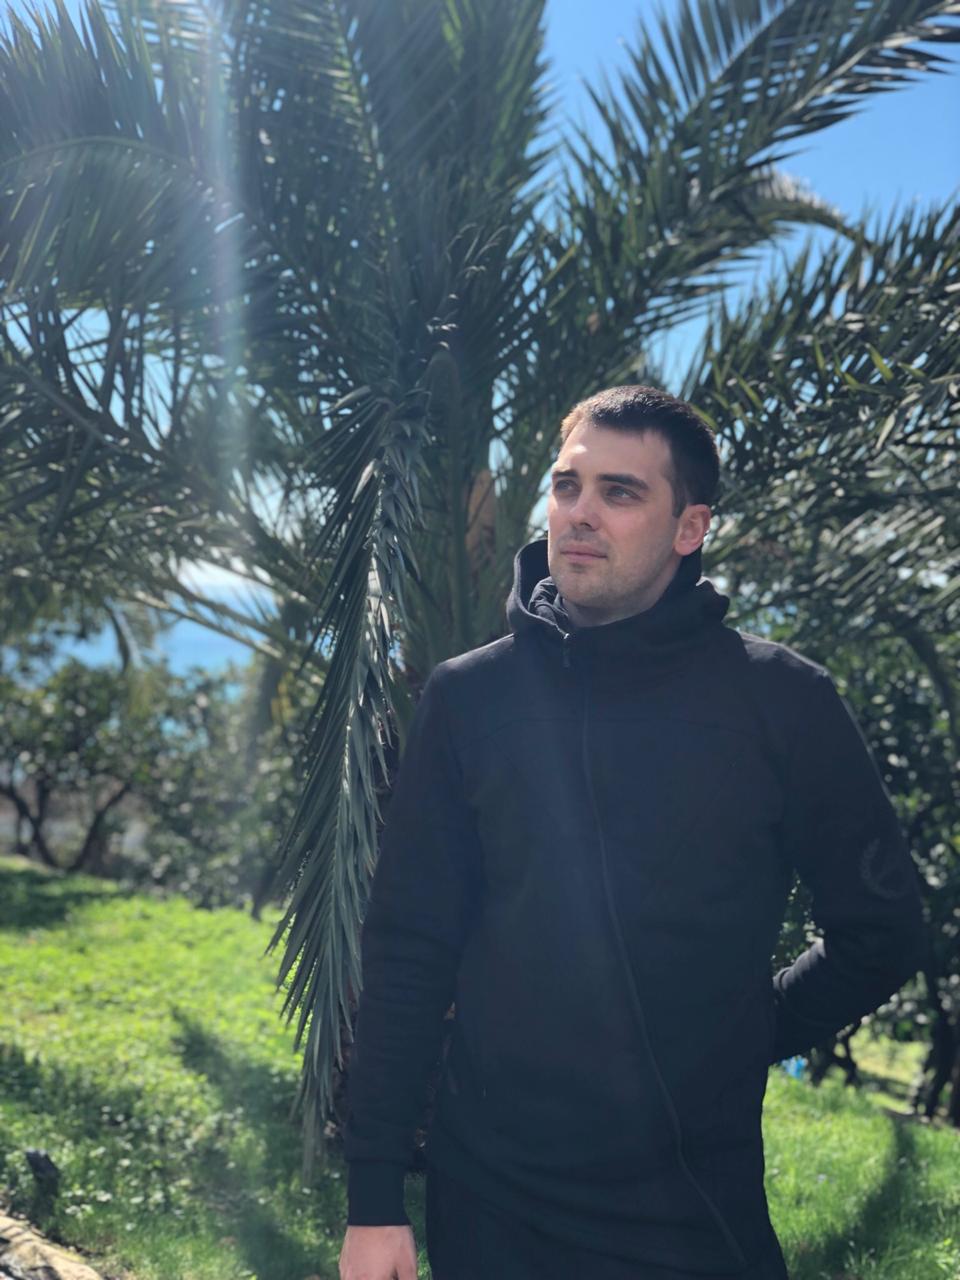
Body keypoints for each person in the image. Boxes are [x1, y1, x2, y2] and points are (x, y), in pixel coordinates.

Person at [338, 385, 925, 1280]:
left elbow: (881, 930)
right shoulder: (469, 699)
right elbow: (409, 949)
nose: (579, 513)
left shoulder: (782, 702)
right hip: (489, 1204)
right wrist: (375, 1199)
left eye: (620, 493)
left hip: (690, 1209)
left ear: (690, 528)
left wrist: (748, 1032)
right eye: (567, 485)